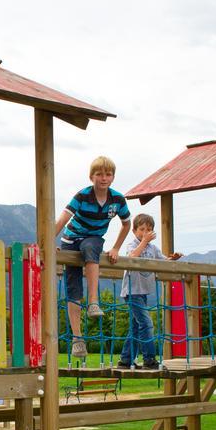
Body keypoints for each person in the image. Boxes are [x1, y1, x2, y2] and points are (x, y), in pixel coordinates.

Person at [53, 156, 131, 358]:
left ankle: (93, 301)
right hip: (70, 240)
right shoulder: (82, 196)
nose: (103, 178)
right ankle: (77, 338)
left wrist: (115, 247)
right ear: (91, 177)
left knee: (90, 247)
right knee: (73, 288)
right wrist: (47, 243)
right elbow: (62, 219)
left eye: (108, 174)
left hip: (93, 238)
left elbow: (126, 224)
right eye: (99, 174)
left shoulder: (117, 200)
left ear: (113, 177)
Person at [116, 214, 182, 369]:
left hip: (144, 292)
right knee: (146, 324)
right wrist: (144, 242)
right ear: (134, 231)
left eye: (149, 230)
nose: (145, 232)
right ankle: (149, 359)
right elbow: (132, 257)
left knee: (136, 326)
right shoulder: (132, 244)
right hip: (131, 291)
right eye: (142, 229)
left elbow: (163, 261)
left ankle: (125, 360)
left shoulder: (153, 248)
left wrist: (173, 259)